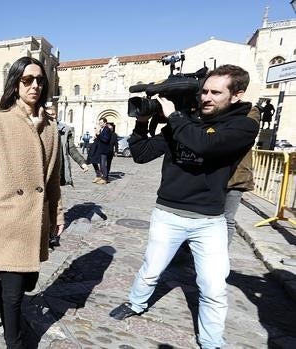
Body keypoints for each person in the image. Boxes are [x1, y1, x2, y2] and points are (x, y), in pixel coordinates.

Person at [109, 64, 258, 349]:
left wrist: (175, 117)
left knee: (213, 287)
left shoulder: (243, 125)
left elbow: (205, 145)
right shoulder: (183, 123)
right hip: (168, 214)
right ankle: (136, 302)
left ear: (236, 95)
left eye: (216, 92)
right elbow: (140, 155)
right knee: (152, 269)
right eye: (204, 91)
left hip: (209, 220)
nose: (207, 97)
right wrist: (142, 122)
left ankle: (212, 342)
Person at [0, 57, 64, 348]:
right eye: (27, 79)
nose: (35, 85)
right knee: (15, 294)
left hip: (36, 221)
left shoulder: (51, 128)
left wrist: (57, 214)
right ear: (15, 83)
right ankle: (15, 341)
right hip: (7, 220)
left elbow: (54, 180)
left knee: (29, 281)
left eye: (40, 80)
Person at [225, 105, 260, 246]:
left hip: (236, 177)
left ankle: (220, 256)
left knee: (227, 218)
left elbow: (242, 134)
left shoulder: (250, 110)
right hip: (212, 174)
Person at [87, 117, 112, 184]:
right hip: (98, 149)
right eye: (99, 123)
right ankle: (98, 175)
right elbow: (101, 138)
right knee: (93, 161)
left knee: (103, 164)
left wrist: (99, 135)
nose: (100, 124)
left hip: (104, 150)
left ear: (105, 123)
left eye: (101, 123)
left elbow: (106, 139)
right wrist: (96, 136)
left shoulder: (107, 130)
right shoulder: (101, 129)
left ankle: (105, 178)